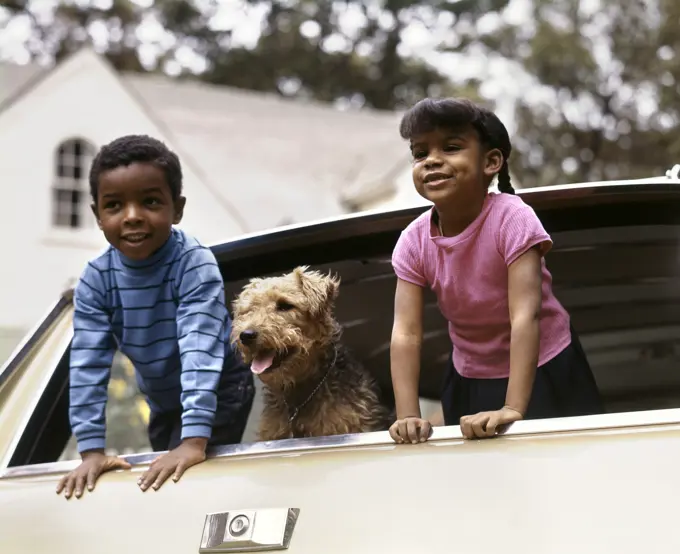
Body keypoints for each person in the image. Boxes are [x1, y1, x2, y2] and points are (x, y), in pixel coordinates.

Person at [388, 98, 603, 444]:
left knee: (571, 461)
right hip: (470, 374)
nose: (432, 160)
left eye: (451, 147)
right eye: (420, 153)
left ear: (491, 161)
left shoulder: (512, 218)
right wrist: (407, 415)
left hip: (545, 364)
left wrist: (514, 408)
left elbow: (525, 316)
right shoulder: (413, 241)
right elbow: (406, 333)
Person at [56, 135, 254, 499]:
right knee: (161, 479)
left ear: (176, 209)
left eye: (149, 201)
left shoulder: (192, 263)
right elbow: (88, 364)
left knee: (182, 481)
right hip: (162, 400)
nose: (132, 216)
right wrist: (91, 451)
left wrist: (194, 440)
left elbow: (200, 350)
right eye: (114, 205)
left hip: (221, 386)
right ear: (98, 215)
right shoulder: (97, 280)